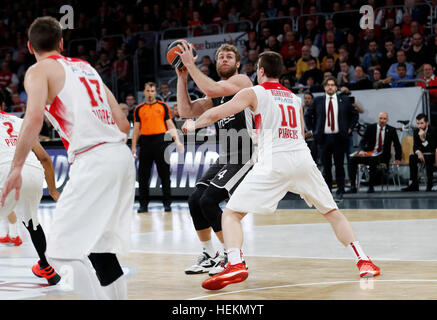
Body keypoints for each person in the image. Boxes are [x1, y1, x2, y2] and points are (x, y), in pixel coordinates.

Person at [181, 51, 380, 291]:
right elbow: (302, 131)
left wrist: (194, 123)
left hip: (273, 162)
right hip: (302, 160)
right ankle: (364, 260)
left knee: (231, 214)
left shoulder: (254, 91)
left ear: (261, 71)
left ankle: (235, 263)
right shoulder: (294, 98)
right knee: (332, 213)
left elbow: (216, 113)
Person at [1, 17, 136, 300]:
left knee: (60, 250)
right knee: (101, 248)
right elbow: (123, 123)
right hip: (121, 157)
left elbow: (34, 118)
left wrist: (16, 167)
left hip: (94, 158)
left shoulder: (39, 71)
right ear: (61, 43)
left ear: (29, 46)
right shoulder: (87, 68)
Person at [176, 42, 254, 276]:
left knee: (209, 201)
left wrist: (190, 65)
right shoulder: (216, 94)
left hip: (246, 156)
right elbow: (185, 111)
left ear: (237, 63)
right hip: (226, 156)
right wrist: (182, 77)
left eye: (229, 57)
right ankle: (210, 254)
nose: (224, 60)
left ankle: (233, 257)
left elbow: (210, 89)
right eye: (220, 57)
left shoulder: (242, 83)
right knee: (194, 201)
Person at [1, 108, 61, 285]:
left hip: (6, 169)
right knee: (32, 221)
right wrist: (53, 191)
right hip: (34, 171)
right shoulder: (20, 122)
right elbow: (44, 157)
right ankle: (46, 267)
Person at [131, 82, 184, 213]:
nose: (150, 93)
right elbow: (136, 130)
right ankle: (143, 205)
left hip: (161, 142)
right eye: (148, 91)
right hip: (145, 143)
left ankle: (167, 203)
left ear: (156, 92)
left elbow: (170, 125)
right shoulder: (138, 109)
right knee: (143, 176)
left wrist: (177, 141)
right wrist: (133, 148)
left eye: (152, 91)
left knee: (165, 175)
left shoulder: (163, 106)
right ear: (144, 92)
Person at [305, 76, 359, 202]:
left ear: (336, 87)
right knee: (326, 166)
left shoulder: (344, 100)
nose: (330, 87)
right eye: (328, 85)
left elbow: (355, 115)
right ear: (324, 87)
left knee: (339, 166)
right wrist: (313, 130)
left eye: (332, 85)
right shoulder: (318, 100)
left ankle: (340, 191)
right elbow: (308, 116)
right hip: (323, 138)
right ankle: (327, 192)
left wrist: (350, 128)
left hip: (339, 137)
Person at [347, 112, 402, 193]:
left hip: (383, 156)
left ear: (387, 120)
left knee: (373, 159)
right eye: (380, 118)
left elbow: (397, 145)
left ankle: (371, 186)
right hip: (369, 154)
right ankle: (353, 186)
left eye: (384, 119)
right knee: (352, 159)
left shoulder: (391, 130)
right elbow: (362, 142)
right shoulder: (370, 128)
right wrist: (361, 150)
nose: (382, 120)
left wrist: (398, 158)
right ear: (378, 119)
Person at [402, 113, 437, 192]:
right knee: (412, 157)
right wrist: (418, 152)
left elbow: (433, 147)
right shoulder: (416, 131)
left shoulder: (433, 131)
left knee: (428, 159)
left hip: (432, 155)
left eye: (421, 123)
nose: (419, 126)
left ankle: (429, 185)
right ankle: (414, 184)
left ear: (426, 123)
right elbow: (415, 146)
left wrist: (423, 139)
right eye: (418, 123)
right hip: (421, 155)